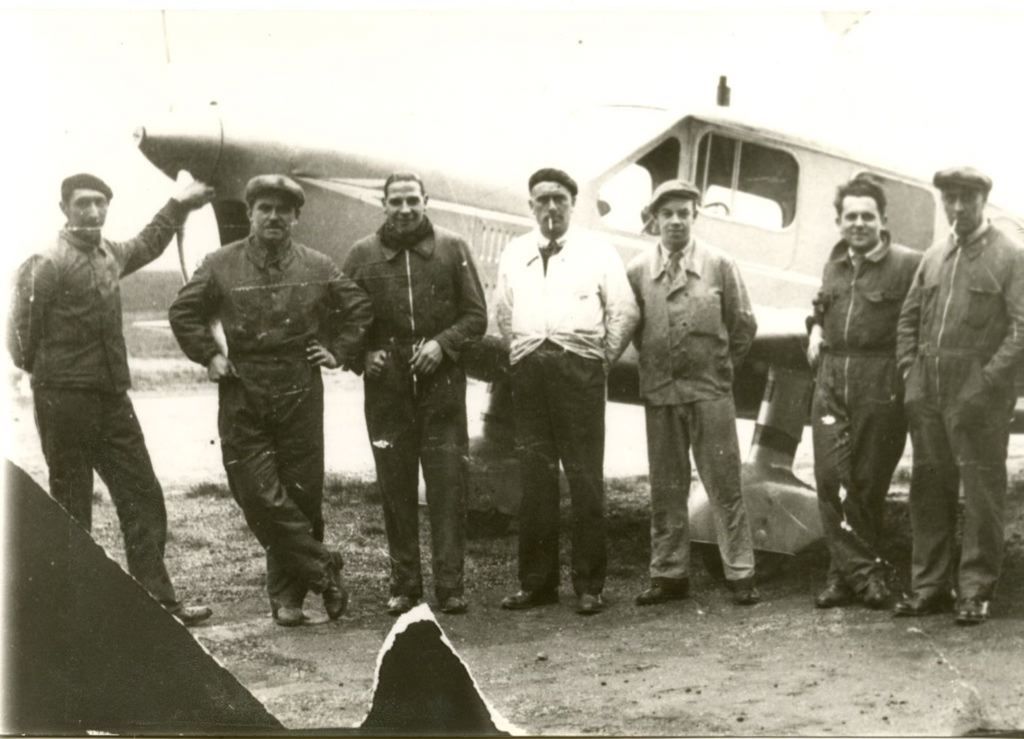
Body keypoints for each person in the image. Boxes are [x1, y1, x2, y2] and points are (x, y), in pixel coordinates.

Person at [7, 172, 216, 626]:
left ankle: (156, 605)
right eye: (83, 203)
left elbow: (148, 243)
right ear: (65, 208)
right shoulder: (45, 261)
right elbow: (20, 336)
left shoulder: (109, 255)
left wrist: (178, 204)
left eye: (101, 203)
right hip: (63, 399)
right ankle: (70, 618)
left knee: (142, 494)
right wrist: (49, 376)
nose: (93, 211)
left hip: (112, 399)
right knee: (71, 505)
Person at [168, 174, 373, 627]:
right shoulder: (220, 263)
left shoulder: (318, 264)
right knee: (255, 491)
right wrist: (210, 355)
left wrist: (337, 350)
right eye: (265, 208)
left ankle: (289, 600)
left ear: (297, 217)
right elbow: (184, 311)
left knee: (301, 495)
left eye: (284, 210)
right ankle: (324, 568)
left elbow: (358, 306)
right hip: (243, 387)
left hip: (300, 387)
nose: (274, 217)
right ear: (250, 214)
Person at [495, 167, 639, 616]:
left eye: (559, 198)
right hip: (529, 372)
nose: (551, 207)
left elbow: (624, 311)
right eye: (542, 200)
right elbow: (503, 311)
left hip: (580, 372)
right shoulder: (516, 251)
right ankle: (536, 584)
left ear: (573, 205)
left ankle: (589, 586)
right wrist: (524, 352)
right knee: (535, 479)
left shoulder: (598, 251)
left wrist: (596, 360)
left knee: (584, 479)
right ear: (531, 205)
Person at [343, 173, 487, 617]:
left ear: (426, 202)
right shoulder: (362, 255)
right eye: (395, 201)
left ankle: (451, 586)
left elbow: (476, 315)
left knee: (447, 484)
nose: (404, 209)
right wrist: (362, 355)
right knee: (395, 485)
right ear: (382, 204)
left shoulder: (453, 248)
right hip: (387, 387)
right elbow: (340, 318)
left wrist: (442, 345)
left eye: (412, 200)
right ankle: (404, 585)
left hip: (440, 383)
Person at [894, 166, 1024, 626]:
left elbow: (1021, 329)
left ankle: (974, 590)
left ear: (983, 200)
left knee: (983, 493)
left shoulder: (1010, 256)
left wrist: (985, 385)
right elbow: (909, 319)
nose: (957, 207)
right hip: (928, 389)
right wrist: (910, 375)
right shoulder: (933, 257)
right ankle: (928, 586)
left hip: (981, 395)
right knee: (929, 489)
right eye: (950, 198)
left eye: (966, 198)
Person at [626, 179, 761, 607]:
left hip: (710, 393)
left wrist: (719, 368)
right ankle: (668, 574)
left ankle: (740, 573)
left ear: (694, 216)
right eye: (667, 214)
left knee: (724, 484)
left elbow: (743, 326)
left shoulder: (720, 264)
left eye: (684, 212)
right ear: (655, 219)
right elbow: (633, 328)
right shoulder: (637, 271)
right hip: (662, 394)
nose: (676, 221)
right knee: (666, 487)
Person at [806, 174, 922, 610]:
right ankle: (865, 575)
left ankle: (843, 577)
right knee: (831, 479)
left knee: (868, 484)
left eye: (866, 216)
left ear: (882, 220)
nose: (858, 223)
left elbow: (919, 323)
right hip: (833, 377)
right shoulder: (834, 264)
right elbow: (822, 304)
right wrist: (815, 327)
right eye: (850, 216)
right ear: (839, 221)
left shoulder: (908, 264)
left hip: (881, 380)